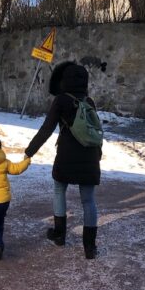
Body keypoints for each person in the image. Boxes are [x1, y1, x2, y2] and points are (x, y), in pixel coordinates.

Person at [25, 61, 101, 259]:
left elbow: (46, 130)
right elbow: (97, 130)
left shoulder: (60, 101)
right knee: (88, 200)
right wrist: (98, 155)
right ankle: (90, 246)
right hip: (89, 156)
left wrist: (30, 151)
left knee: (60, 190)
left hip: (67, 155)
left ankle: (59, 235)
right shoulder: (89, 102)